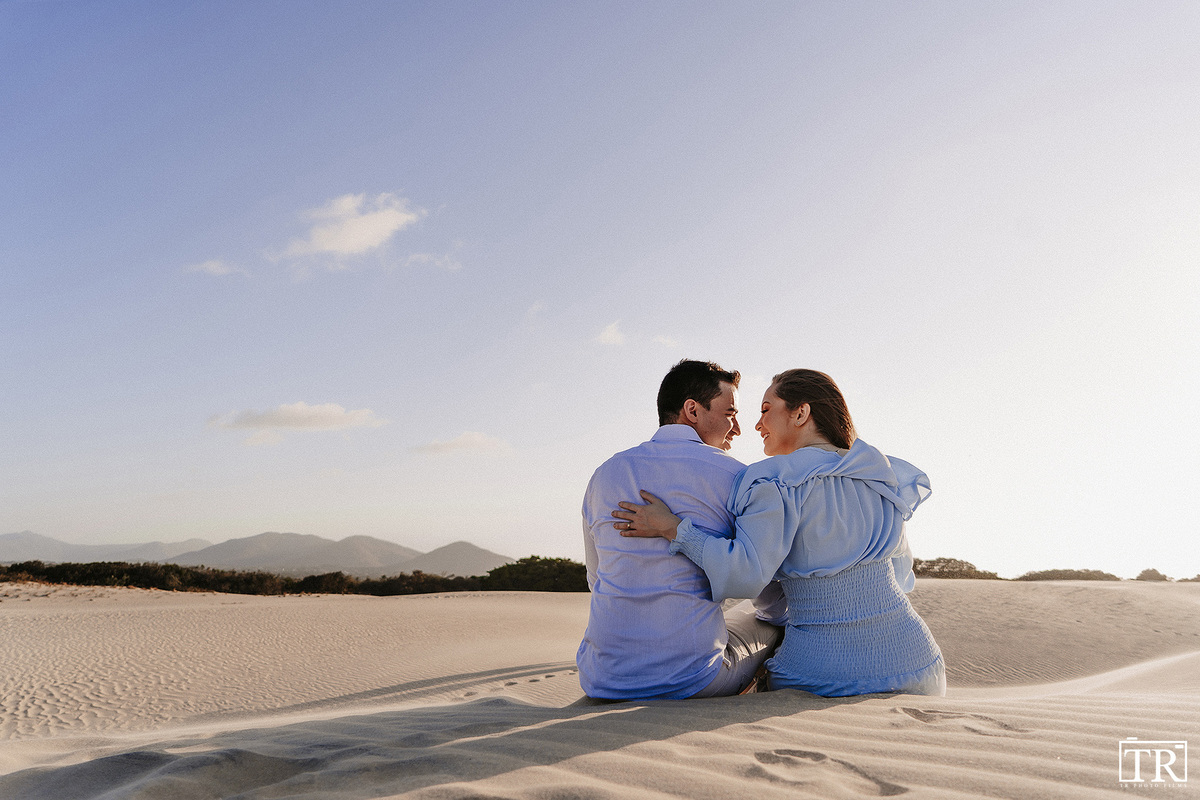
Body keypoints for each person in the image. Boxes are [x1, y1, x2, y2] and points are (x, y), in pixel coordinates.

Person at [614, 368, 945, 697]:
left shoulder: (773, 480)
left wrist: (676, 529)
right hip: (920, 667)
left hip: (824, 678)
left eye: (765, 411)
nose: (757, 426)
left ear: (800, 413)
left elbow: (743, 576)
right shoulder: (875, 471)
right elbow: (902, 574)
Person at [577, 359, 784, 700]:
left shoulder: (604, 474)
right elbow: (764, 591)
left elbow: (596, 577)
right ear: (692, 410)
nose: (737, 428)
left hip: (604, 679)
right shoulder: (736, 476)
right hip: (693, 680)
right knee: (765, 618)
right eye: (730, 413)